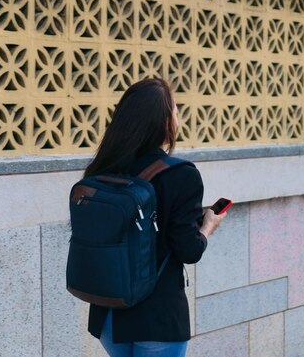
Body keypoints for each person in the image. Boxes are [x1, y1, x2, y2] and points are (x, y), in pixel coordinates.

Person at [84, 78, 225, 357]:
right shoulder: (180, 174)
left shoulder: (102, 169)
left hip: (108, 314)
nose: (178, 116)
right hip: (156, 316)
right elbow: (189, 249)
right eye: (175, 110)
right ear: (164, 121)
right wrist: (207, 226)